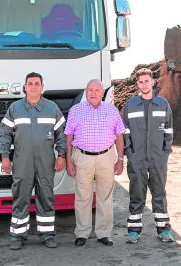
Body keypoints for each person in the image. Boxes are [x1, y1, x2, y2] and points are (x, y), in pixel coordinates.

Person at [0, 72, 66, 250]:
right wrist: (5, 157)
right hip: (22, 162)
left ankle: (48, 234)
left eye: (37, 83)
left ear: (42, 87)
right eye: (30, 83)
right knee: (21, 198)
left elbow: (62, 135)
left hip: (46, 162)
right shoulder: (15, 108)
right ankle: (17, 236)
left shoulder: (52, 108)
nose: (34, 86)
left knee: (46, 197)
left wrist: (62, 156)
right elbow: (5, 133)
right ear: (25, 87)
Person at [64, 79, 125, 247]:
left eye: (97, 90)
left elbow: (119, 135)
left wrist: (120, 159)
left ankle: (104, 233)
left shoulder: (111, 110)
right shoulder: (76, 110)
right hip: (82, 158)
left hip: (106, 157)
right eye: (90, 90)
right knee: (83, 196)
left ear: (102, 92)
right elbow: (68, 136)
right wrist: (68, 159)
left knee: (105, 197)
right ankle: (82, 233)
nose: (93, 93)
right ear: (86, 91)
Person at [123, 67, 174, 244]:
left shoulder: (163, 104)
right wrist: (130, 153)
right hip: (137, 158)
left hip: (157, 158)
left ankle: (163, 230)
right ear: (137, 84)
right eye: (140, 81)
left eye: (147, 81)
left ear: (153, 82)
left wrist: (164, 153)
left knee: (159, 193)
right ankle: (134, 230)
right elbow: (125, 132)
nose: (144, 84)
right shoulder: (130, 105)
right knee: (137, 194)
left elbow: (169, 131)